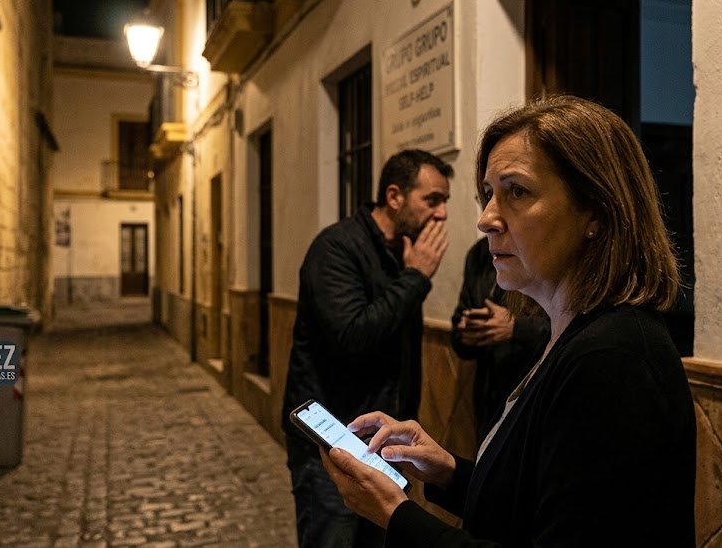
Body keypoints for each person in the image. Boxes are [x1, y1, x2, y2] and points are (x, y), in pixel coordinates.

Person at [318, 95, 696, 546]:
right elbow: (534, 505)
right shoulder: (572, 333)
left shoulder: (614, 357)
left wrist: (395, 515)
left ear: (595, 211)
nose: (486, 219)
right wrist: (447, 470)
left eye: (516, 191)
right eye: (488, 194)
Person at [281, 149, 454, 548]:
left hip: (384, 445)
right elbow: (352, 338)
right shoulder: (336, 248)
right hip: (331, 445)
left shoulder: (401, 252)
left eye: (444, 201)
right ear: (394, 196)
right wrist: (415, 277)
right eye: (432, 200)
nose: (442, 214)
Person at [450, 236, 549, 439]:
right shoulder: (479, 254)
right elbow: (459, 334)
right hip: (487, 405)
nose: (485, 223)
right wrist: (469, 332)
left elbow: (571, 327)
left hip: (534, 401)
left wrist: (516, 328)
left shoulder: (543, 248)